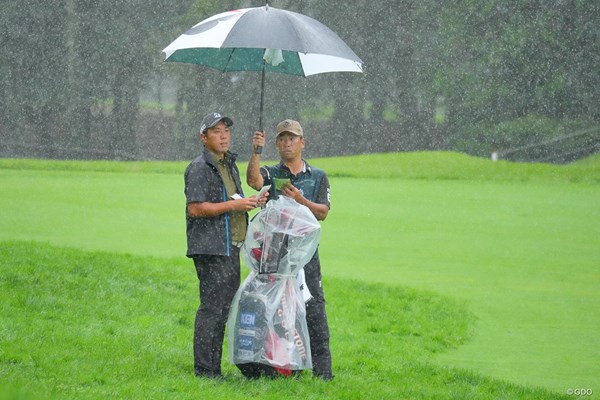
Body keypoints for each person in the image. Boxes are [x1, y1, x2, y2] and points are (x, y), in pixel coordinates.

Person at [247, 119, 333, 380]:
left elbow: (323, 213)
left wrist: (300, 199)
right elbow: (253, 180)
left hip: (306, 257)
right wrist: (256, 150)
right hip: (274, 256)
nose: (287, 143)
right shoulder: (272, 173)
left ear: (302, 142)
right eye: (282, 139)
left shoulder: (317, 176)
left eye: (292, 139)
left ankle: (322, 373)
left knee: (313, 310)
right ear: (276, 143)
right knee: (272, 310)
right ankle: (273, 367)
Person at [184, 111, 266, 379]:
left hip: (231, 246)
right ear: (203, 137)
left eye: (227, 131)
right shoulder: (199, 167)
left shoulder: (228, 163)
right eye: (216, 131)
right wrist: (235, 205)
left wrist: (251, 202)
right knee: (212, 309)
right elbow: (196, 208)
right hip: (211, 247)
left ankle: (212, 368)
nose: (223, 136)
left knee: (223, 309)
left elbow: (235, 199)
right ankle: (205, 371)